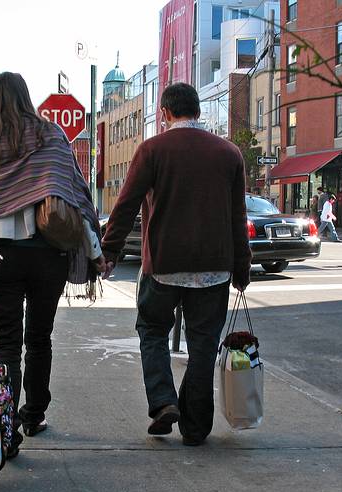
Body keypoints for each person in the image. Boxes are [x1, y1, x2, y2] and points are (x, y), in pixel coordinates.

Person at [0, 72, 105, 458]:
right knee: (39, 339)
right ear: (25, 97)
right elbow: (75, 198)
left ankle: (4, 428)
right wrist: (95, 254)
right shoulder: (50, 137)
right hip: (48, 255)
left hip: (1, 257)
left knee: (7, 343)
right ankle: (33, 415)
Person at [100, 82, 251, 447]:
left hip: (164, 264)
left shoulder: (152, 150)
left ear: (165, 113)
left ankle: (164, 401)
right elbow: (237, 217)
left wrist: (110, 251)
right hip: (214, 269)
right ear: (197, 111)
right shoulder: (229, 153)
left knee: (152, 330)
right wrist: (242, 268)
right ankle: (196, 428)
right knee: (202, 346)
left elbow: (126, 205)